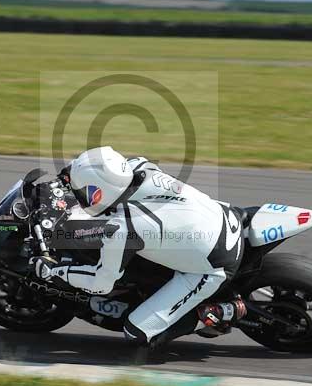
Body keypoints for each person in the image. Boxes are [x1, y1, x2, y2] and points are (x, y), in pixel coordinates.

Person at [31, 146, 246, 348]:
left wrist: (54, 271)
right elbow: (97, 168)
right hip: (223, 217)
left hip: (213, 266)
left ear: (97, 195)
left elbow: (101, 283)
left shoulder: (123, 228)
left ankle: (221, 312)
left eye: (80, 194)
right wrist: (67, 176)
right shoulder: (138, 166)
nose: (78, 197)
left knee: (138, 332)